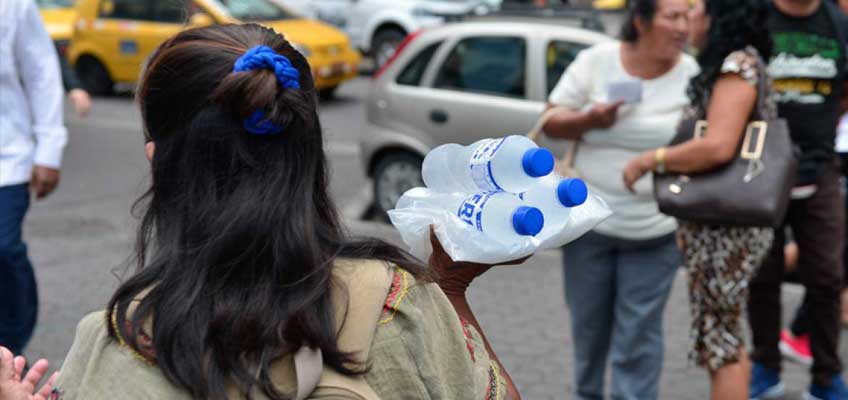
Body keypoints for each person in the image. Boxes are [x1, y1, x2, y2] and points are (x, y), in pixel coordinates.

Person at [48, 23, 523, 399]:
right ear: (310, 154)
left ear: (159, 164)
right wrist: (451, 286)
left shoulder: (117, 349)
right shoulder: (400, 305)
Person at [541, 0, 696, 398]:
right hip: (588, 227)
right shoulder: (597, 61)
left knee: (638, 341)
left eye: (688, 15)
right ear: (641, 21)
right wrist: (591, 120)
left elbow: (705, 146)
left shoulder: (691, 73)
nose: (684, 26)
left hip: (655, 232)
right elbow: (550, 121)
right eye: (673, 16)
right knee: (588, 331)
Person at [622, 1, 775, 399]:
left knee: (722, 338)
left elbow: (718, 146)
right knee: (719, 333)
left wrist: (650, 160)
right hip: (722, 221)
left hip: (728, 225)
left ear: (717, 16)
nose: (688, 18)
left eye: (695, 9)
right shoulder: (741, 62)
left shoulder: (737, 66)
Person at [746, 0, 848, 397]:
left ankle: (826, 378)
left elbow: (843, 92)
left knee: (827, 275)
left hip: (819, 169)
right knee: (763, 275)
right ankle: (765, 368)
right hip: (761, 169)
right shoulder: (757, 17)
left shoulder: (837, 23)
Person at [0, 0, 68, 356]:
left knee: (3, 247)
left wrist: (49, 150)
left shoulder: (14, 5)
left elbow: (42, 71)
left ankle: (11, 341)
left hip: (7, 157)